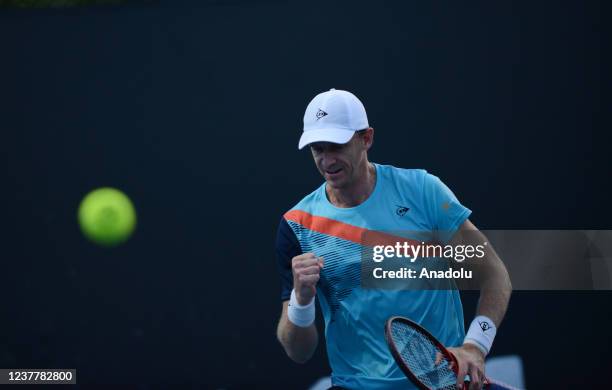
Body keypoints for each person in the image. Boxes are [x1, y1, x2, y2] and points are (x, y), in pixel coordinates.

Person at [275, 89, 512, 390]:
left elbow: (494, 275)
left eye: (336, 145)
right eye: (317, 149)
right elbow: (299, 351)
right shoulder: (296, 226)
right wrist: (302, 300)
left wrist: (475, 346)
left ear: (366, 139)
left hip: (443, 382)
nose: (326, 160)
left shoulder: (424, 192)